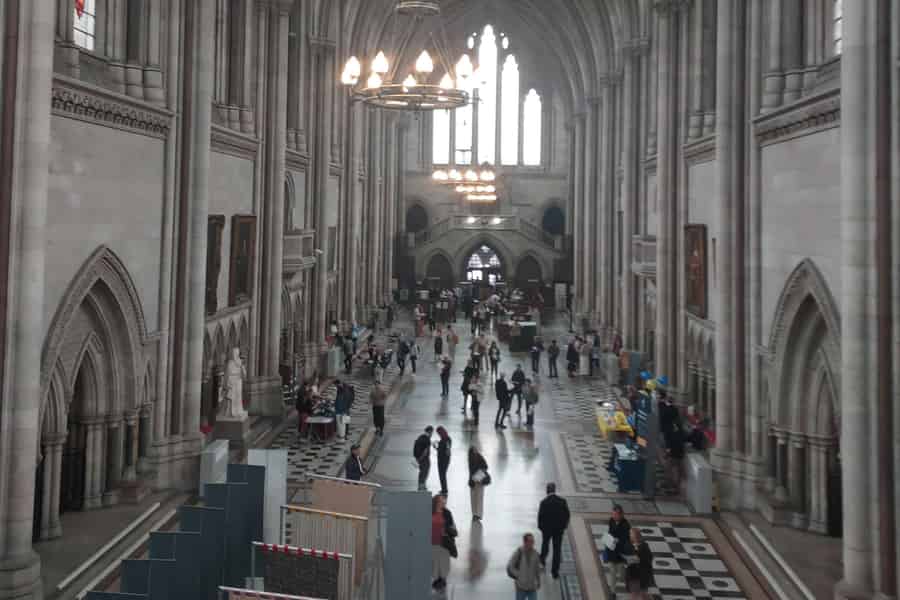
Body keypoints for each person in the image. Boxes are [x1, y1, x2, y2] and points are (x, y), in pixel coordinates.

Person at [537, 483, 570, 579]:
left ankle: (542, 561)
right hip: (558, 530)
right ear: (554, 490)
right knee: (557, 550)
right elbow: (567, 515)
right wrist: (564, 526)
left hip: (547, 530)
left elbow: (540, 517)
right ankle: (555, 572)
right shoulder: (562, 501)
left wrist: (541, 528)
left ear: (547, 490)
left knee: (545, 545)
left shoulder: (544, 502)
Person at [431, 494, 458, 590]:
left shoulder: (447, 513)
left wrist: (446, 530)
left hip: (444, 542)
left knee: (444, 562)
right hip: (433, 541)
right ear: (436, 502)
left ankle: (442, 579)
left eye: (444, 501)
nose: (443, 503)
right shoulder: (430, 511)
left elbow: (452, 527)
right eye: (441, 501)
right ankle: (437, 578)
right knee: (434, 561)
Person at [603, 505, 632, 594]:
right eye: (613, 514)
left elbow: (627, 539)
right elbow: (610, 531)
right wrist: (607, 539)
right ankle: (612, 592)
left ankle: (627, 581)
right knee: (612, 572)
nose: (613, 516)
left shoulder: (626, 525)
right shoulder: (611, 520)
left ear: (621, 515)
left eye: (615, 514)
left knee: (621, 572)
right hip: (611, 551)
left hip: (620, 553)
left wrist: (618, 540)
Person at [507, 533, 543, 600]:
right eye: (530, 541)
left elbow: (537, 569)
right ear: (525, 542)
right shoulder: (519, 552)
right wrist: (518, 575)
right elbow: (510, 566)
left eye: (533, 541)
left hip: (532, 587)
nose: (532, 543)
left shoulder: (535, 554)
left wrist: (538, 581)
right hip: (521, 587)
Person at [625, 528, 653, 599]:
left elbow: (648, 560)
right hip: (632, 575)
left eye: (631, 534)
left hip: (640, 575)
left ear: (636, 537)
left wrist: (637, 559)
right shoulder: (630, 544)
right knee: (637, 594)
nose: (629, 536)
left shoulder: (644, 547)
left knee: (638, 594)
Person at [467, 447, 489, 521]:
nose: (475, 453)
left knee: (478, 498)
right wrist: (471, 479)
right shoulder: (470, 458)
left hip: (479, 480)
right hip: (474, 480)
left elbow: (485, 466)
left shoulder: (479, 457)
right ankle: (475, 514)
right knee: (474, 498)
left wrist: (478, 475)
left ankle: (478, 514)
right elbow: (470, 471)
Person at [414, 426, 434, 491]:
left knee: (421, 472)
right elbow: (425, 451)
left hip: (419, 458)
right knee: (425, 472)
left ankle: (421, 485)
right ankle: (422, 486)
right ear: (430, 431)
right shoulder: (427, 439)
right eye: (432, 432)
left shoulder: (420, 437)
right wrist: (421, 459)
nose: (432, 434)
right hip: (424, 459)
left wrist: (418, 459)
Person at [435, 426, 452, 496]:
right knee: (442, 475)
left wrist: (445, 455)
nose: (438, 434)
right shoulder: (444, 439)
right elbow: (443, 449)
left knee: (442, 475)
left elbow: (447, 450)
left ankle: (444, 490)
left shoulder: (446, 439)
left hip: (443, 460)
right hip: (442, 459)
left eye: (439, 433)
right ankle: (443, 489)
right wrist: (437, 448)